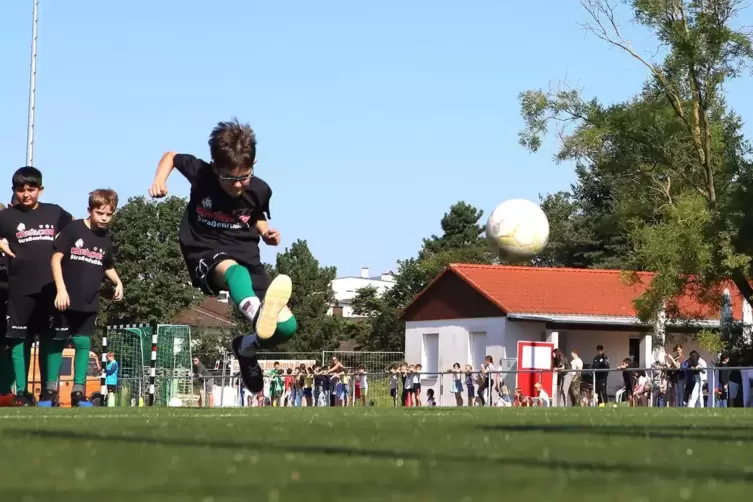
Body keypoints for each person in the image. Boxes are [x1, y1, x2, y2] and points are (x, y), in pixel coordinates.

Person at [148, 119, 298, 394]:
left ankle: (246, 347)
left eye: (245, 176)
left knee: (288, 326)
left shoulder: (260, 190)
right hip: (204, 248)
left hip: (246, 252)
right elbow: (170, 156)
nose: (239, 185)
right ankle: (257, 314)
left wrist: (265, 233)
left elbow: (255, 215)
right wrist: (160, 180)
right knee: (235, 273)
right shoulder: (202, 174)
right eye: (230, 178)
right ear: (216, 168)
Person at [0, 167, 73, 406]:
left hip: (51, 288)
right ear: (14, 191)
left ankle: (49, 392)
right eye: (20, 190)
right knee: (20, 339)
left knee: (51, 338)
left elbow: (75, 229)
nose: (26, 194)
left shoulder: (55, 212)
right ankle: (22, 392)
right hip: (20, 289)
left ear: (40, 189)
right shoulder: (7, 217)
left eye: (31, 189)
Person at [43, 189, 124, 407]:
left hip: (89, 302)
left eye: (109, 214)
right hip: (65, 299)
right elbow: (55, 259)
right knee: (58, 342)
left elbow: (107, 265)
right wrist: (61, 289)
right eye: (100, 213)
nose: (105, 218)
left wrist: (118, 282)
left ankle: (78, 393)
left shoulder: (106, 239)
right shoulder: (74, 229)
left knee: (83, 344)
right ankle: (50, 391)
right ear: (90, 210)